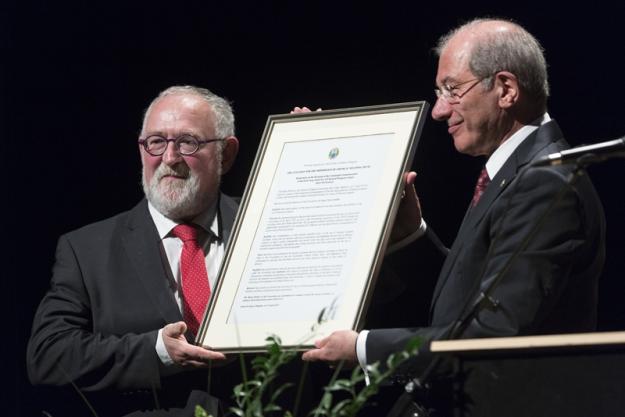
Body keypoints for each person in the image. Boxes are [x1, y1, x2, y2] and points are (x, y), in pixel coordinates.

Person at [302, 17, 606, 383]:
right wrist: (412, 234)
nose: (438, 110)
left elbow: (496, 332)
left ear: (506, 89)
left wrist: (364, 349)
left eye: (452, 89)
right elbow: (467, 301)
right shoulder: (516, 171)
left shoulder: (546, 184)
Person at [27, 85, 240, 416]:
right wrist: (157, 351)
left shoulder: (267, 221)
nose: (169, 158)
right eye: (156, 142)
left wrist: (321, 146)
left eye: (188, 142)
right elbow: (49, 355)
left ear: (225, 154)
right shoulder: (87, 250)